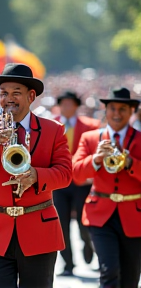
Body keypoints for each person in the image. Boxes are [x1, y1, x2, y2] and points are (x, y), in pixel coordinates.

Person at [0, 63, 72, 288]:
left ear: (31, 96)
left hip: (39, 230)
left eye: (15, 93)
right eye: (3, 93)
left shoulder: (53, 129)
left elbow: (65, 174)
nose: (8, 99)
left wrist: (36, 175)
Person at [72, 87, 141, 288]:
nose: (117, 114)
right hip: (100, 214)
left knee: (130, 276)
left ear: (131, 112)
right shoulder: (91, 138)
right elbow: (76, 174)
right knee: (109, 270)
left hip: (134, 215)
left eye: (122, 109)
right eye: (112, 108)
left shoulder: (139, 139)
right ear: (106, 111)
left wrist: (130, 162)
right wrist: (96, 158)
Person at [53, 91, 100, 276]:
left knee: (84, 223)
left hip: (83, 182)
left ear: (76, 106)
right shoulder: (50, 125)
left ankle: (88, 247)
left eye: (70, 104)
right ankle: (68, 264)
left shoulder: (91, 125)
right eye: (63, 104)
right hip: (59, 183)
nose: (66, 107)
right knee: (61, 225)